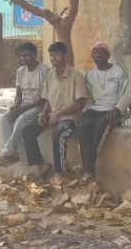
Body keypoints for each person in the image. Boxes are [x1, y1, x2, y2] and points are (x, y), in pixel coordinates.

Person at [21, 42, 87, 178]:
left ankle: (59, 173)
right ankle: (41, 166)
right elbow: (47, 100)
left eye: (57, 55)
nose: (53, 58)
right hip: (52, 115)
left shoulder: (77, 76)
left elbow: (80, 104)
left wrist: (57, 114)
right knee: (27, 130)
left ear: (64, 56)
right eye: (51, 55)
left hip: (69, 119)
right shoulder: (50, 76)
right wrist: (44, 113)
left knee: (58, 133)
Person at [80, 42, 131, 180]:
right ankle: (88, 169)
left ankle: (88, 169)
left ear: (108, 55)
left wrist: (117, 109)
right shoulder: (90, 75)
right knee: (83, 126)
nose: (98, 55)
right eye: (95, 53)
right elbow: (89, 97)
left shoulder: (119, 71)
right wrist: (85, 110)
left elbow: (128, 93)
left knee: (99, 128)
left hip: (113, 110)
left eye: (101, 52)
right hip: (95, 109)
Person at [0, 42, 51, 165]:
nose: (23, 58)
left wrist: (24, 108)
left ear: (34, 55)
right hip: (24, 105)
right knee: (4, 119)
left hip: (39, 106)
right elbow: (18, 95)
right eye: (21, 56)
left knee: (21, 119)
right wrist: (16, 104)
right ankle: (13, 153)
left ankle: (8, 152)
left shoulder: (44, 70)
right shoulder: (20, 71)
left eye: (26, 55)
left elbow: (44, 98)